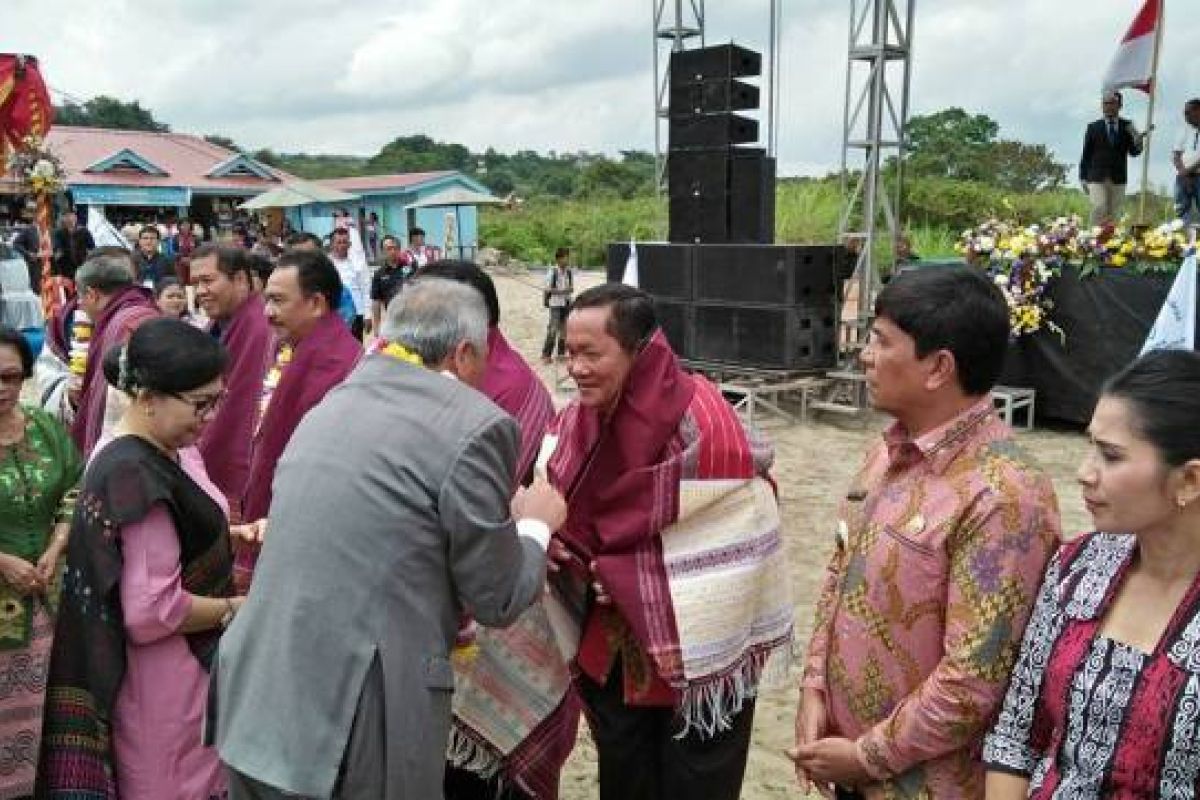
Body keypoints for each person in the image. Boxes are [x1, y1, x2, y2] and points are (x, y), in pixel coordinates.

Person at [214, 277, 568, 799]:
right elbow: (497, 597)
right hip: (352, 719)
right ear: (465, 352)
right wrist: (536, 524)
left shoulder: (334, 401)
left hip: (256, 697)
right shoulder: (476, 424)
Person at [791, 267, 1061, 799]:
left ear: (939, 367)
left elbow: (974, 679)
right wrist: (814, 686)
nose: (865, 356)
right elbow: (838, 571)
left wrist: (866, 757)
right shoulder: (886, 453)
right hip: (849, 764)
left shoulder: (1004, 495)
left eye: (881, 342)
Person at [547, 283, 791, 800]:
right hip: (614, 646)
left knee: (696, 778)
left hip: (697, 645)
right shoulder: (580, 417)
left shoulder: (702, 419)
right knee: (625, 772)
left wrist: (632, 575)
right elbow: (564, 501)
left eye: (592, 354)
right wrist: (556, 541)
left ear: (639, 352)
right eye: (570, 353)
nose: (576, 368)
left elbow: (746, 519)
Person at [40, 318, 248, 799]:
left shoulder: (151, 454)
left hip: (162, 672)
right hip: (164, 676)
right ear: (149, 396)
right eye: (200, 404)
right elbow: (152, 610)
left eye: (217, 401)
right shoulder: (135, 474)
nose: (211, 416)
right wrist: (239, 608)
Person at [984, 349, 1200, 798]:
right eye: (1090, 447)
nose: (1085, 473)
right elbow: (1017, 734)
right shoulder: (1078, 566)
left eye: (1111, 456)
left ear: (1189, 481)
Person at [417, 263, 563, 800]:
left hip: (498, 591)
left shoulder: (505, 389)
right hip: (459, 587)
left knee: (485, 769)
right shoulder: (440, 381)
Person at [236, 248, 360, 588]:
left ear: (316, 303)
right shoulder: (292, 348)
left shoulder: (336, 364)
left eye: (277, 301)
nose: (267, 312)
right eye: (266, 300)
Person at [0, 326, 82, 798]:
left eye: (11, 376)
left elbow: (76, 484)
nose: (2, 388)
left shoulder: (45, 428)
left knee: (48, 714)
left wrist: (58, 544)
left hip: (50, 598)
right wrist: (4, 562)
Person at [192, 245, 275, 515]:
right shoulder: (217, 326)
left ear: (240, 279)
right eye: (195, 283)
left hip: (240, 473)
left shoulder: (260, 329)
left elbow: (243, 410)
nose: (200, 291)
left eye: (208, 280)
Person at [70, 248, 160, 455]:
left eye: (80, 297)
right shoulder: (131, 314)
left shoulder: (131, 323)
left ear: (92, 294)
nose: (80, 304)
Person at [1079, 90, 1148, 226]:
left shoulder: (1128, 126)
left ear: (1119, 105)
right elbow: (1086, 154)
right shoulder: (1093, 127)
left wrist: (1139, 142)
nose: (1109, 106)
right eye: (1105, 103)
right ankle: (1093, 241)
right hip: (1096, 177)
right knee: (1099, 207)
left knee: (1114, 213)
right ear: (1102, 106)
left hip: (1118, 177)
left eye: (1112, 103)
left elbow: (1134, 152)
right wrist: (1082, 177)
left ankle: (1111, 244)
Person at [327, 226, 369, 340]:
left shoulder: (358, 263)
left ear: (349, 244)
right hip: (333, 313)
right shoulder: (325, 264)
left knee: (355, 347)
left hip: (357, 314)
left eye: (345, 242)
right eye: (338, 242)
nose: (342, 245)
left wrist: (368, 315)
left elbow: (366, 289)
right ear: (331, 244)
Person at [369, 234, 410, 334]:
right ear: (383, 251)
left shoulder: (411, 269)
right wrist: (376, 326)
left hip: (411, 319)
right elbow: (376, 301)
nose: (393, 251)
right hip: (392, 320)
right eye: (389, 248)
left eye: (395, 248)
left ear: (399, 250)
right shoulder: (379, 274)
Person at [541, 247, 574, 364]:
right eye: (565, 258)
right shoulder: (552, 272)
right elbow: (547, 289)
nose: (567, 260)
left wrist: (568, 290)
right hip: (555, 304)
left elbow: (571, 288)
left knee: (564, 330)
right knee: (553, 329)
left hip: (566, 303)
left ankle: (561, 354)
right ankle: (546, 354)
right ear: (559, 259)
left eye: (568, 257)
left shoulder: (569, 272)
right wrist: (560, 292)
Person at [1172, 97, 1200, 226]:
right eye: (1184, 113)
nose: (1185, 116)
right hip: (1182, 178)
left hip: (1196, 175)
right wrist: (1183, 172)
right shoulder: (1183, 130)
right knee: (1182, 211)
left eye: (1188, 112)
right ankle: (1185, 241)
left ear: (1198, 111)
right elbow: (1176, 155)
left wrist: (1187, 171)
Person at [51, 208, 95, 282]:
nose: (69, 218)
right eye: (66, 216)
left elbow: (92, 248)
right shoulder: (58, 233)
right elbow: (57, 249)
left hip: (81, 266)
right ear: (63, 218)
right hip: (65, 268)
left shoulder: (84, 231)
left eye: (71, 216)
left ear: (75, 217)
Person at [169, 218, 200, 285]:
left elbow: (199, 250)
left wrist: (191, 257)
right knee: (181, 282)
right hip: (180, 263)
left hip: (192, 263)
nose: (185, 226)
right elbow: (172, 251)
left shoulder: (195, 237)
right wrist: (181, 257)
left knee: (193, 281)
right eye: (183, 224)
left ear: (190, 225)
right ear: (179, 226)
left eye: (187, 224)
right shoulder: (175, 237)